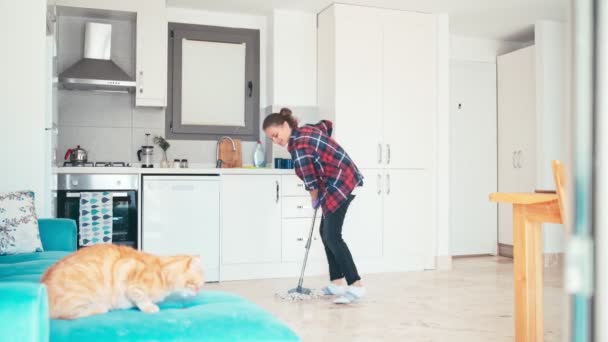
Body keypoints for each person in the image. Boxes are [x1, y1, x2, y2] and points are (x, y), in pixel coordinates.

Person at [263, 108, 366, 304]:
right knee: (325, 231)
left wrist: (314, 199)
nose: (276, 141)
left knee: (332, 235)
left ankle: (356, 285)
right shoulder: (306, 130)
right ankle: (337, 282)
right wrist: (323, 150)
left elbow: (311, 183)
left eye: (276, 135)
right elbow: (327, 125)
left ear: (286, 126)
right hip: (340, 178)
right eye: (272, 139)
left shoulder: (299, 148)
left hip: (342, 182)